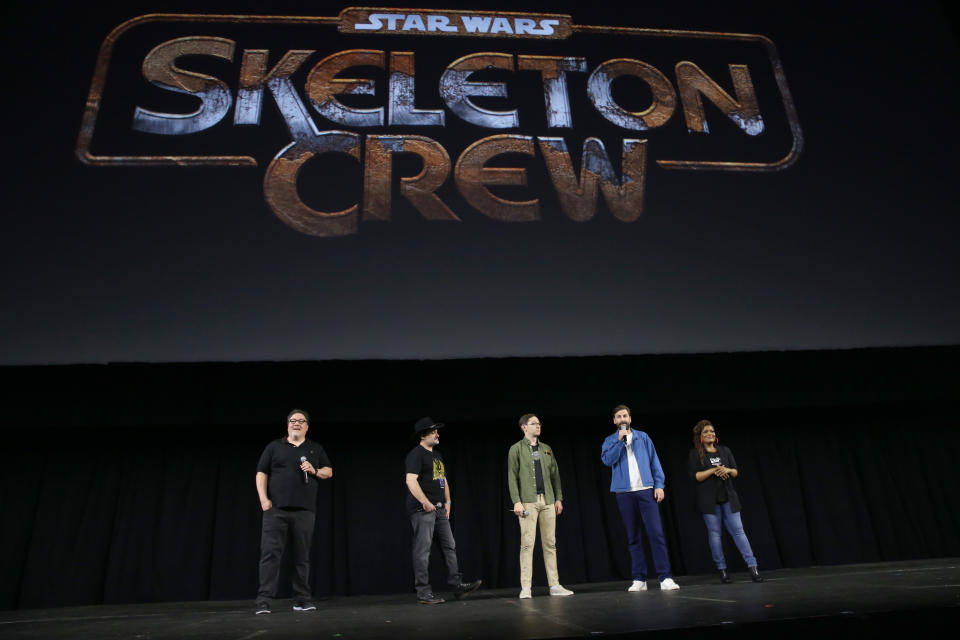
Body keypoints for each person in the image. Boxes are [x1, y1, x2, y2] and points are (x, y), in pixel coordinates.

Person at [254, 409, 333, 614]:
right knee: (270, 555)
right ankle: (264, 600)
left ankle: (302, 599)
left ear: (307, 426)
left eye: (301, 421)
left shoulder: (315, 448)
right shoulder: (275, 447)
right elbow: (261, 472)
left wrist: (314, 471)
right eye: (292, 420)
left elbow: (329, 471)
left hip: (304, 512)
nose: (296, 423)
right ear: (287, 425)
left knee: (302, 556)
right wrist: (264, 499)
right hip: (276, 511)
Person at [601, 405, 680, 592]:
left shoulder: (643, 437)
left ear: (630, 418)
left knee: (656, 534)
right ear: (614, 421)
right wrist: (619, 442)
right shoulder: (610, 440)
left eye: (625, 415)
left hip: (645, 490)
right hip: (624, 493)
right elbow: (607, 460)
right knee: (633, 536)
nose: (622, 419)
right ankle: (639, 579)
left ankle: (665, 577)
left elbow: (654, 461)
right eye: (618, 416)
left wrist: (659, 485)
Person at [404, 416, 482, 604]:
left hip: (439, 510)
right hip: (423, 509)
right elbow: (410, 480)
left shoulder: (437, 455)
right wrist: (424, 502)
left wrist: (448, 501)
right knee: (423, 550)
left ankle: (457, 586)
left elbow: (442, 479)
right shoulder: (416, 454)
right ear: (423, 435)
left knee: (450, 546)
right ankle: (423, 593)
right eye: (433, 431)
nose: (437, 434)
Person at [688, 420, 764, 583]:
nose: (711, 434)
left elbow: (735, 472)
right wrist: (713, 470)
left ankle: (753, 568)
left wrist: (727, 470)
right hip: (709, 500)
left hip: (728, 497)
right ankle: (722, 570)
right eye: (707, 432)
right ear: (700, 436)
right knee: (715, 534)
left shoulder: (724, 451)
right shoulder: (695, 454)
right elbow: (696, 476)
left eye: (713, 431)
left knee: (739, 531)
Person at [507, 414, 574, 598]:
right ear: (524, 427)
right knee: (527, 544)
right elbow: (512, 477)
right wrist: (517, 501)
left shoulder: (546, 449)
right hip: (528, 500)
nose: (538, 426)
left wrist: (558, 498)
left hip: (548, 501)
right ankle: (526, 587)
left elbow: (555, 476)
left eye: (539, 423)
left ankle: (554, 585)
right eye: (533, 423)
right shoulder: (516, 449)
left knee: (550, 544)